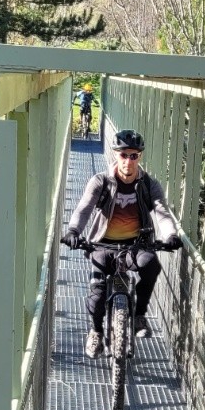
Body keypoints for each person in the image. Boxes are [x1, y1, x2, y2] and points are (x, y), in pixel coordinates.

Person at [60, 128, 181, 356]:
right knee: (96, 295)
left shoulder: (148, 185)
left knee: (151, 265)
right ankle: (95, 332)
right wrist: (74, 231)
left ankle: (139, 316)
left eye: (133, 155)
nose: (128, 161)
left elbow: (161, 211)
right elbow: (84, 208)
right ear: (116, 155)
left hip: (136, 245)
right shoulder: (101, 182)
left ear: (139, 157)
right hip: (102, 245)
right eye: (123, 155)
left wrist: (170, 235)